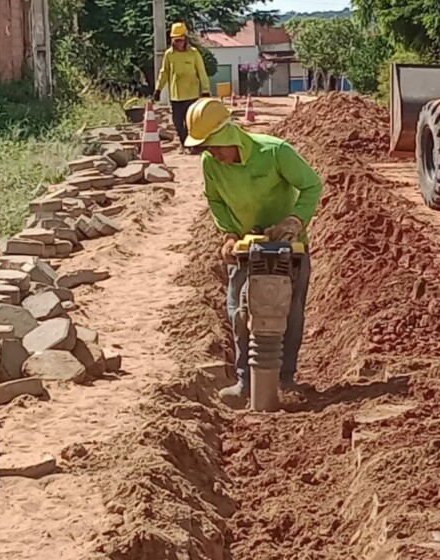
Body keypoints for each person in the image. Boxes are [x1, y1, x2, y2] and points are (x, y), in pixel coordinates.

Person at [183, 97, 323, 403]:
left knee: (289, 311)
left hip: (288, 248)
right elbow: (215, 200)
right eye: (206, 148)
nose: (212, 153)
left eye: (214, 145)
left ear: (228, 135)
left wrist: (294, 220)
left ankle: (285, 379)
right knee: (238, 311)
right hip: (246, 250)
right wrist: (229, 235)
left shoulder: (275, 152)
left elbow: (312, 184)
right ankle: (245, 382)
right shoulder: (211, 164)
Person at [154, 22, 211, 153]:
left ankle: (194, 145)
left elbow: (201, 72)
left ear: (185, 38)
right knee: (178, 123)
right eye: (175, 40)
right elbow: (164, 72)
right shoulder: (169, 54)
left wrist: (206, 90)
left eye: (180, 39)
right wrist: (158, 89)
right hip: (176, 96)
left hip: (192, 95)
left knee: (191, 122)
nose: (178, 42)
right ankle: (185, 144)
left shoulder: (194, 54)